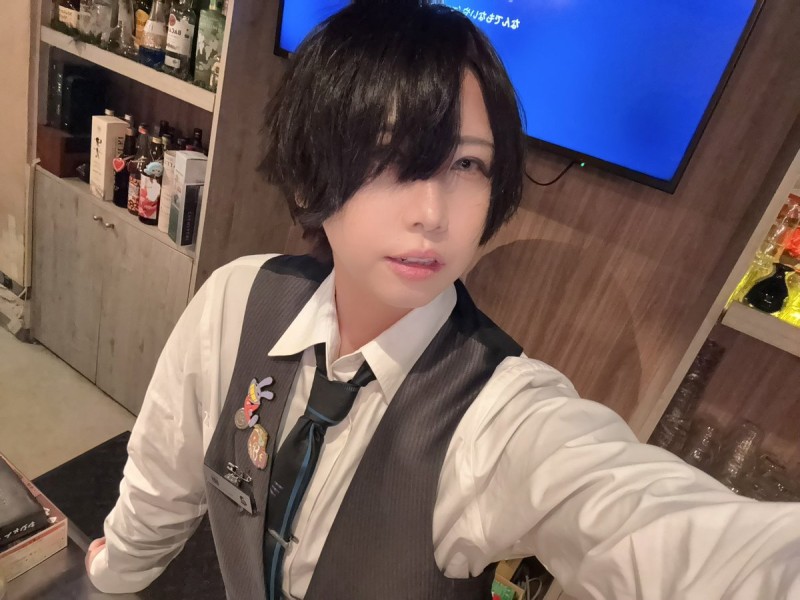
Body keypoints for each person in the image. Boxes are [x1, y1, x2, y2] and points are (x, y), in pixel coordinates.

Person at [85, 1, 800, 598]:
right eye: (387, 155)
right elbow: (164, 478)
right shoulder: (237, 301)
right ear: (308, 176)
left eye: (466, 163)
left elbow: (681, 536)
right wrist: (114, 574)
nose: (433, 213)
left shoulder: (502, 416)